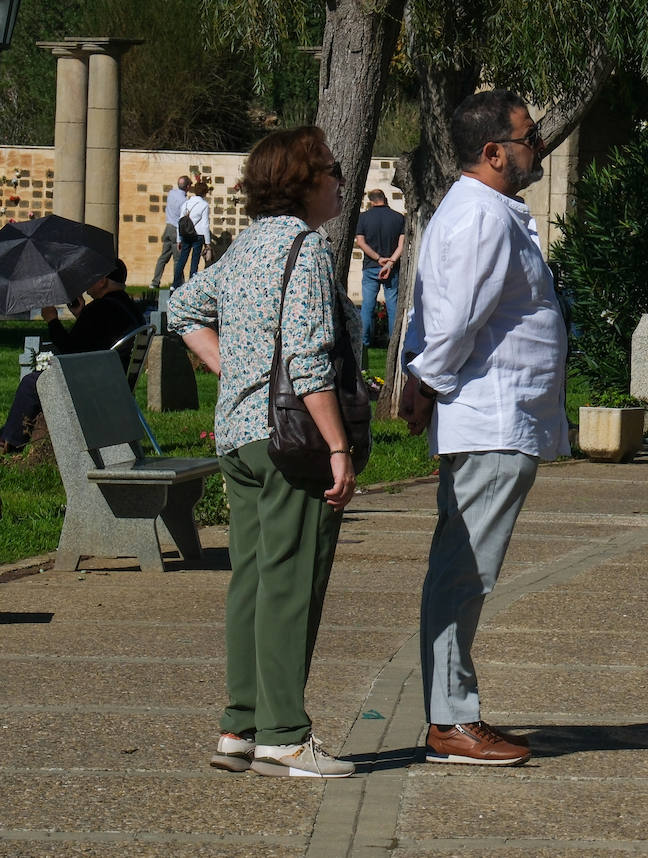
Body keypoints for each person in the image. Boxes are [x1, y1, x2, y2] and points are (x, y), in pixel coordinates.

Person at [170, 126, 362, 778]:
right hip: (292, 442)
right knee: (290, 582)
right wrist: (338, 447)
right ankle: (284, 735)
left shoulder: (246, 246)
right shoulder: (307, 248)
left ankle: (241, 726)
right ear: (304, 182)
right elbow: (308, 360)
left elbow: (181, 306)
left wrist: (234, 370)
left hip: (239, 436)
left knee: (251, 581)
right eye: (332, 170)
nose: (340, 180)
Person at [405, 90, 567, 767]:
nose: (539, 147)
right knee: (463, 574)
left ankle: (452, 714)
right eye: (529, 138)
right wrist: (424, 386)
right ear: (494, 152)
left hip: (498, 418)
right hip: (491, 419)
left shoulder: (485, 211)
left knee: (462, 570)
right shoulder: (480, 216)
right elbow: (453, 322)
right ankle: (451, 720)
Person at [0, 259, 143, 453]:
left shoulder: (99, 309)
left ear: (102, 281)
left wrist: (52, 320)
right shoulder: (129, 307)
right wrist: (81, 315)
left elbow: (69, 351)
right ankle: (9, 434)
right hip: (116, 381)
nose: (85, 282)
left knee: (32, 383)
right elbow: (97, 340)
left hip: (97, 386)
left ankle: (10, 442)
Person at [354, 189, 406, 348]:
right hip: (392, 268)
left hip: (371, 266)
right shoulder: (399, 217)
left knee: (367, 306)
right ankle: (393, 342)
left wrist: (378, 258)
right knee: (393, 306)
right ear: (385, 198)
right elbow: (402, 245)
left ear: (371, 201)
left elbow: (360, 242)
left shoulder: (363, 218)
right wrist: (390, 262)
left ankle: (365, 342)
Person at [150, 176, 189, 288]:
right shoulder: (184, 201)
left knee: (163, 257)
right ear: (187, 187)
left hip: (167, 227)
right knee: (177, 259)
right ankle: (178, 283)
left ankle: (155, 282)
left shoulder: (171, 193)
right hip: (176, 230)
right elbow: (181, 219)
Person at [171, 180, 212, 289]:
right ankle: (191, 286)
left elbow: (180, 222)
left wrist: (179, 239)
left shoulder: (186, 203)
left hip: (185, 235)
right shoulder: (204, 205)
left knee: (182, 260)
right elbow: (205, 225)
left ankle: (174, 284)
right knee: (195, 261)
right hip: (198, 235)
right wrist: (208, 243)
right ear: (205, 193)